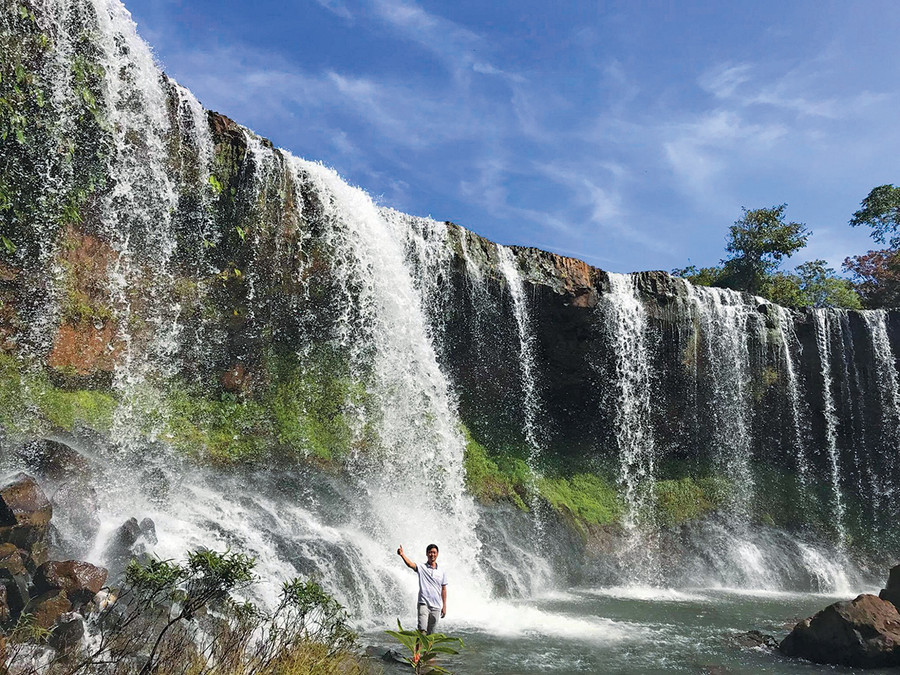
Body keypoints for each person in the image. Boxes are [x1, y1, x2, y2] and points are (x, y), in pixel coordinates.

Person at [397, 543, 447, 634]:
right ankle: (418, 649)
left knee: (431, 635)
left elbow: (443, 589)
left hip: (436, 606)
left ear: (437, 554)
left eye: (434, 552)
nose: (432, 554)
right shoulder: (421, 567)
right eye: (430, 552)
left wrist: (444, 605)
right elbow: (410, 564)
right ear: (427, 554)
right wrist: (402, 555)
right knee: (422, 631)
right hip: (423, 603)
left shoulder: (442, 571)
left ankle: (427, 649)